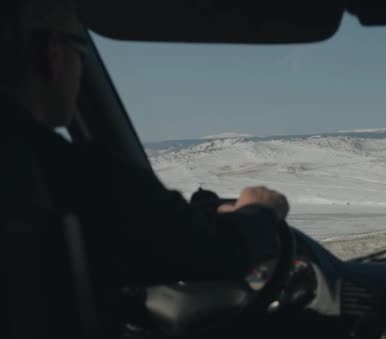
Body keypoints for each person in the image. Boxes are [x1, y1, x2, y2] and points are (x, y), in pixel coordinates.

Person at [0, 0, 289, 287]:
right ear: (53, 53)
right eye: (81, 49)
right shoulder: (73, 172)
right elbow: (203, 250)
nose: (81, 65)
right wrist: (260, 210)